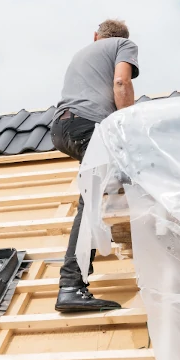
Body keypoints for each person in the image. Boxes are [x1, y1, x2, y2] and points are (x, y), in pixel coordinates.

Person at [52, 19, 139, 312]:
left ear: (95, 36)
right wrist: (129, 128)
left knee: (93, 196)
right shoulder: (124, 45)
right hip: (89, 125)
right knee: (95, 200)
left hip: (63, 128)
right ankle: (71, 286)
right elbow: (121, 82)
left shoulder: (82, 54)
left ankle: (73, 282)